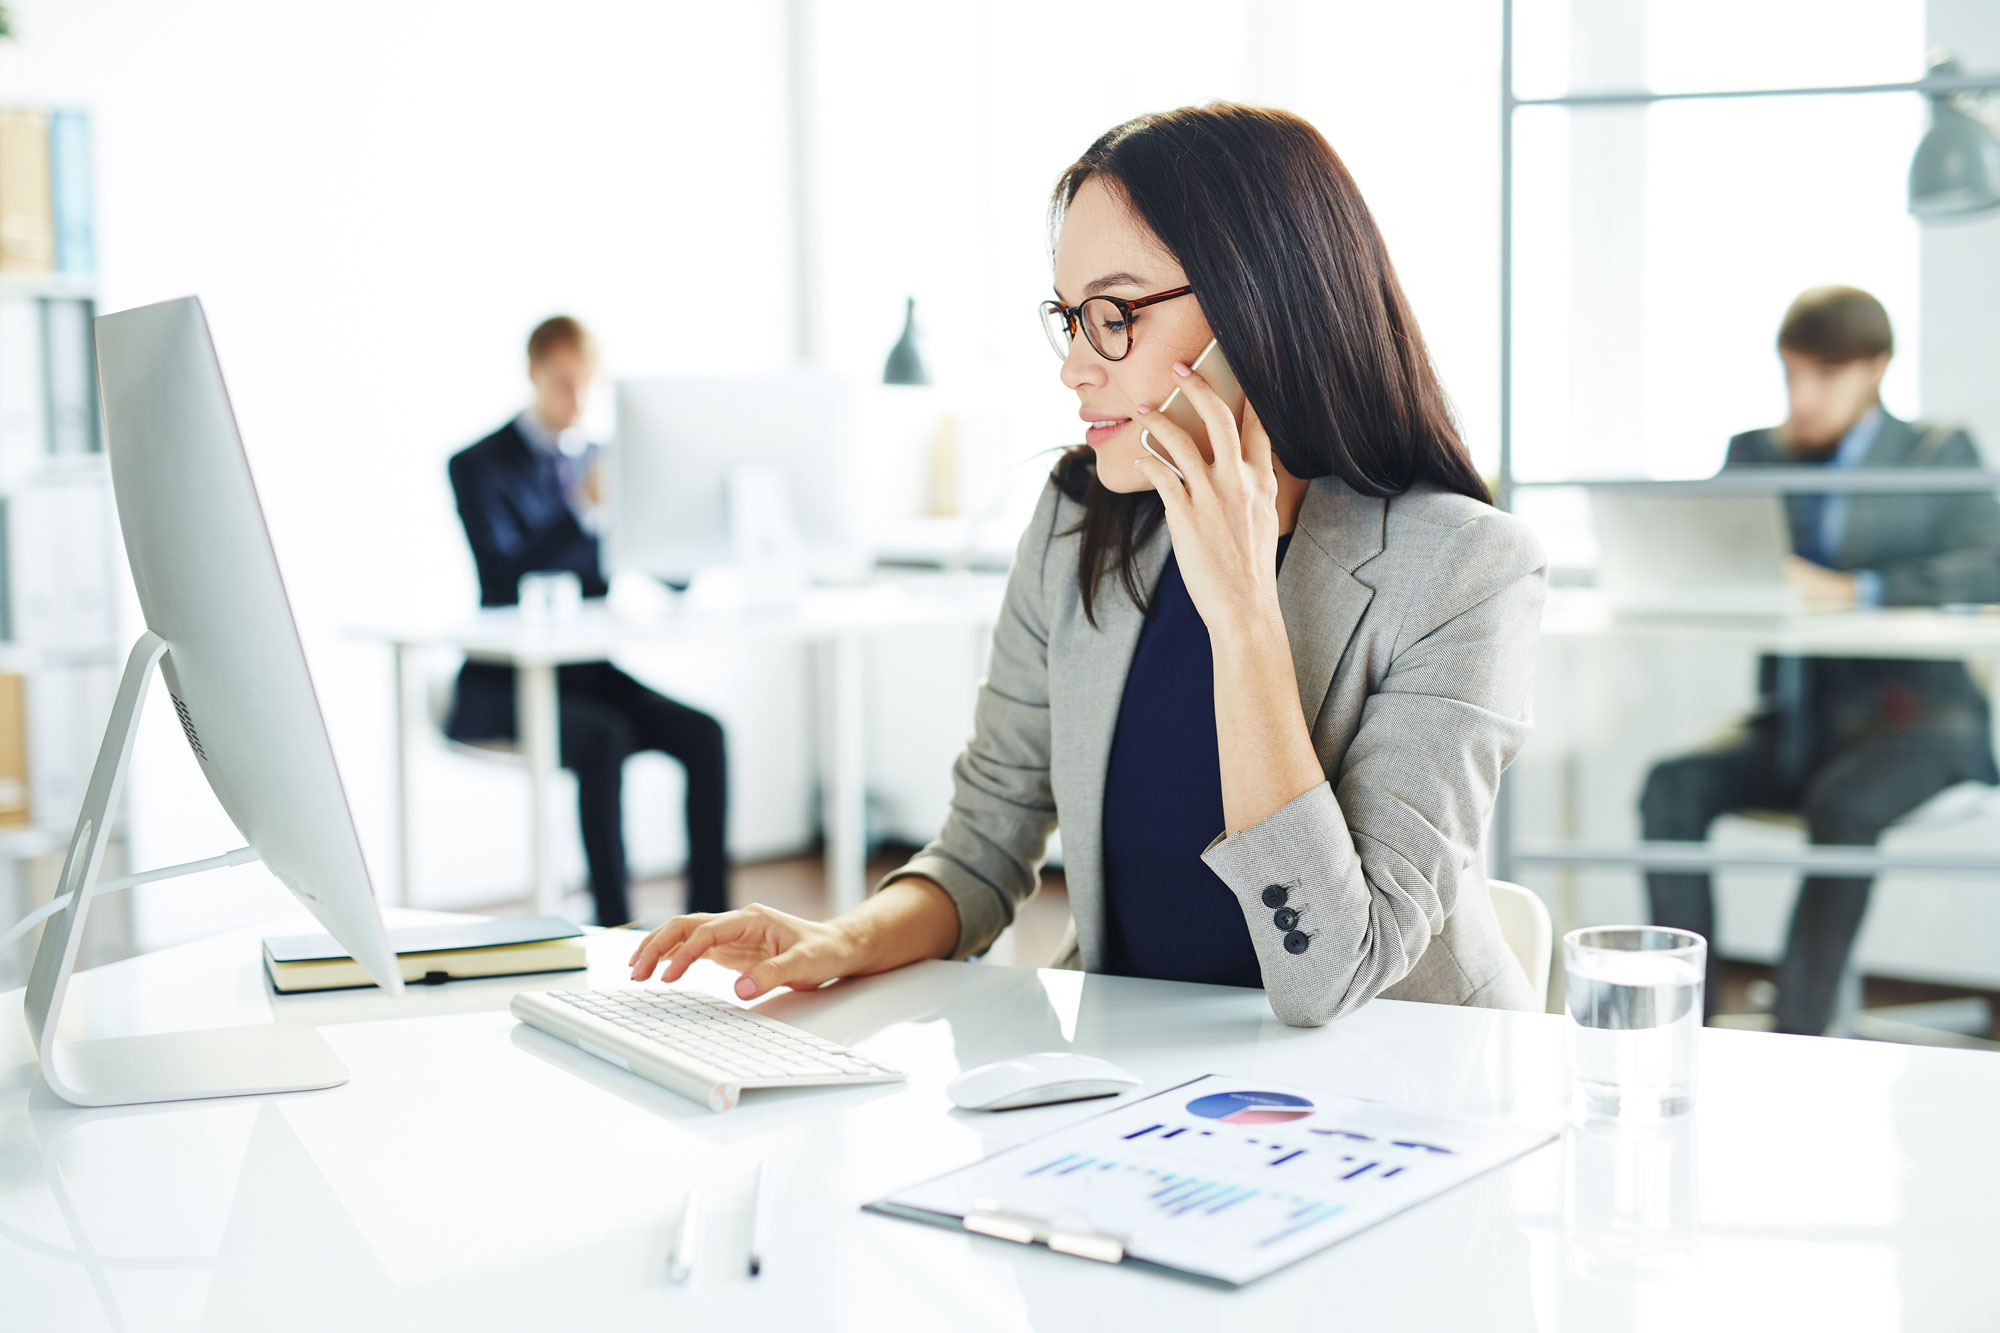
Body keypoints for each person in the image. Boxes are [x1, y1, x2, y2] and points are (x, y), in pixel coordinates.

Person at [630, 104, 1547, 1026]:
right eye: (1069, 319)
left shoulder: (1467, 571)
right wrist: (842, 940)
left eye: (1113, 317)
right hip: (1133, 1086)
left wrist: (1243, 617)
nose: (1075, 367)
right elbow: (982, 846)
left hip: (1406, 1097)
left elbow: (1334, 978)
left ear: (1257, 312)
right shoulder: (1082, 519)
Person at [1641, 286, 2000, 1035]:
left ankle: (1799, 1036)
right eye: (1791, 375)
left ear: (1875, 369)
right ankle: (1683, 1031)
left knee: (1846, 804)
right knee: (1670, 789)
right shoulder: (1755, 453)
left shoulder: (1939, 450)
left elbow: (1986, 566)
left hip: (1923, 727)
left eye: (1824, 377)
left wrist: (1852, 590)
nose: (1801, 397)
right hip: (1801, 721)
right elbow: (1705, 556)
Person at [445, 315, 731, 926]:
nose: (575, 400)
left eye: (585, 384)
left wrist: (680, 504)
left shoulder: (605, 462)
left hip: (587, 672)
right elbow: (502, 578)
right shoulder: (477, 465)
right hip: (504, 682)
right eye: (562, 383)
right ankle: (617, 929)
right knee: (604, 738)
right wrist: (582, 507)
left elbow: (673, 576)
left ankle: (710, 921)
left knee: (704, 734)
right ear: (533, 373)